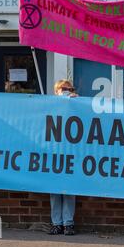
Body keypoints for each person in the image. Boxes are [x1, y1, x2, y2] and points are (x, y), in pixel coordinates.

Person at [48, 79, 78, 235]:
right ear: (56, 91)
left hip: (70, 152)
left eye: (69, 88)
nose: (66, 91)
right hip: (54, 152)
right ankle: (56, 223)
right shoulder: (50, 104)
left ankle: (68, 223)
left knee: (69, 190)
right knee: (54, 190)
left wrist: (78, 102)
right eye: (63, 88)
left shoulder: (77, 104)